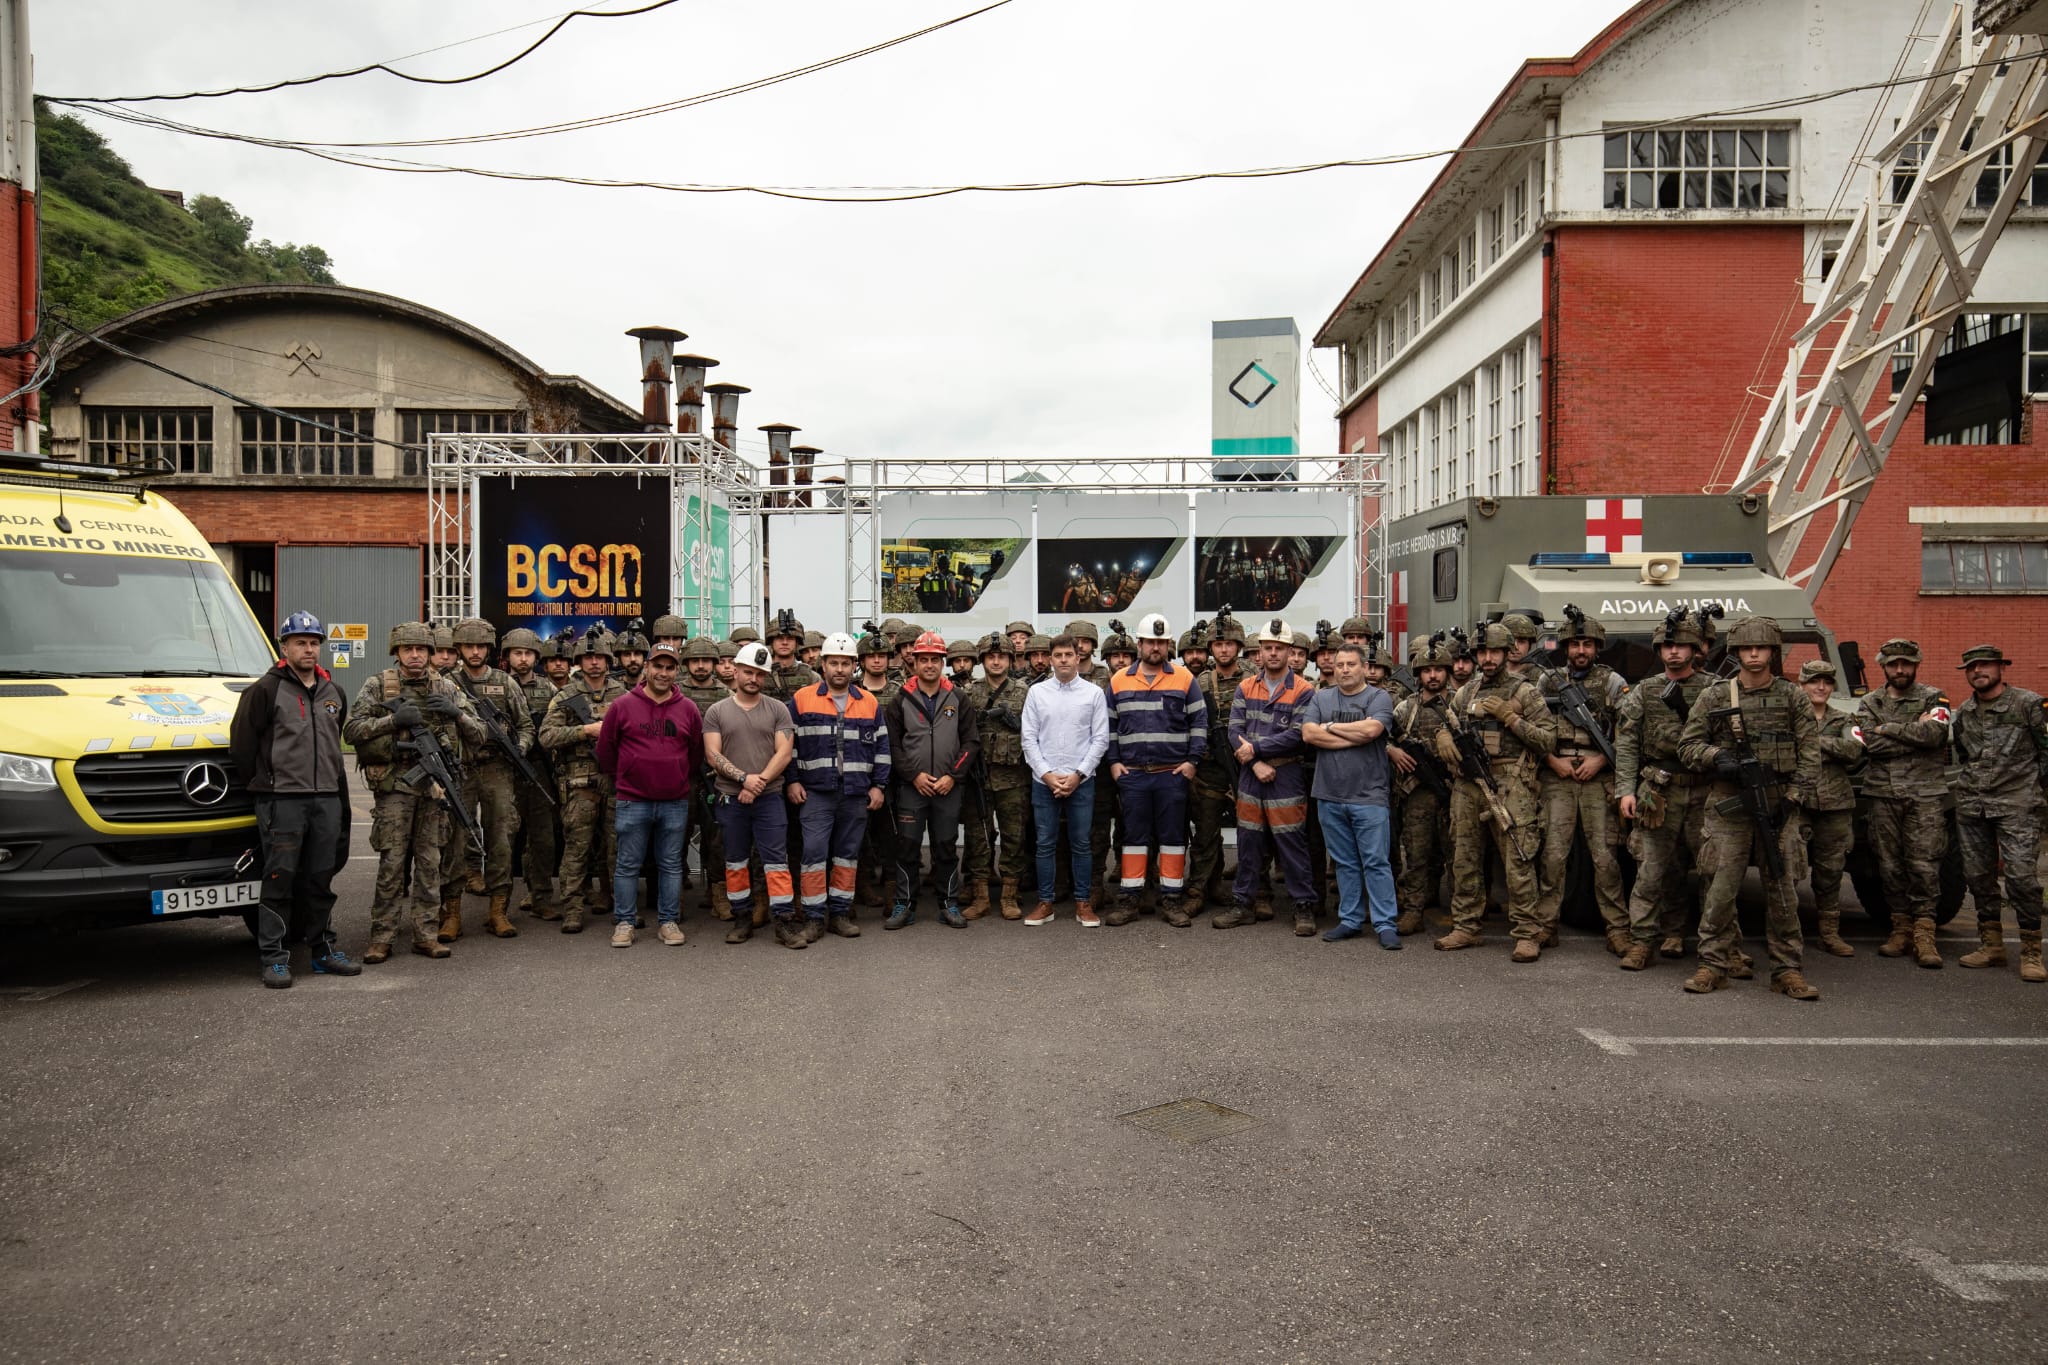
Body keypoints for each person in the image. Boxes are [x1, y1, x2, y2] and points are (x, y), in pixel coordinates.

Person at [1677, 615, 1821, 1000]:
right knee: (1720, 889)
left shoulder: (1793, 697)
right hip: (1728, 804)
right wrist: (1717, 757)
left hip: (1779, 806)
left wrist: (1792, 800)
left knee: (1783, 890)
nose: (1754, 655)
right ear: (1736, 652)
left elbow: (1810, 756)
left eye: (1761, 648)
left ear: (1773, 652)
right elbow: (1687, 747)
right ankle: (1713, 964)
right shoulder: (1716, 696)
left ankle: (1787, 969)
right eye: (1746, 648)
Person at [343, 621, 487, 962]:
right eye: (408, 649)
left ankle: (426, 933)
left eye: (421, 649)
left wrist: (457, 715)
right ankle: (382, 937)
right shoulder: (379, 685)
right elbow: (351, 730)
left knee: (430, 863)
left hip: (435, 791)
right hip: (395, 788)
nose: (415, 655)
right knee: (392, 864)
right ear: (396, 652)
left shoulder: (447, 688)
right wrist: (391, 722)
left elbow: (479, 733)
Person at [231, 610, 356, 988]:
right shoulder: (265, 691)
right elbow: (242, 746)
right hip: (282, 800)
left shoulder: (334, 692)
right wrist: (266, 785)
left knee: (320, 877)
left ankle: (322, 951)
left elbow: (336, 745)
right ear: (283, 647)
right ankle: (275, 956)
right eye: (300, 642)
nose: (309, 649)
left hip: (325, 799)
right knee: (279, 878)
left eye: (315, 642)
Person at [1434, 622, 1553, 959]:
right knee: (1464, 857)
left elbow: (1548, 739)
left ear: (1506, 653)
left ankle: (1527, 932)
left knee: (1518, 858)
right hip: (1468, 784)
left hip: (1510, 783)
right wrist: (1441, 737)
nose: (1487, 658)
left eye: (1494, 652)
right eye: (1482, 652)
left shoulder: (1525, 692)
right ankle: (1466, 926)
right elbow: (1448, 723)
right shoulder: (1465, 692)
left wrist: (1511, 719)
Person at [1615, 609, 1718, 971]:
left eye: (1681, 645)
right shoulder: (1646, 690)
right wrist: (1625, 790)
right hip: (1657, 789)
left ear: (1695, 649)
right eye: (1667, 646)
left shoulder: (1715, 689)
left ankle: (1721, 948)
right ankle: (1643, 941)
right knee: (1651, 870)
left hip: (1704, 789)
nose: (1674, 652)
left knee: (1714, 871)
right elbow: (1627, 742)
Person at [596, 639, 704, 947]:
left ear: (676, 672)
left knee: (671, 864)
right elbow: (606, 750)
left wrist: (678, 775)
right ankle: (625, 923)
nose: (664, 673)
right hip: (633, 799)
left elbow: (695, 753)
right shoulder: (622, 705)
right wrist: (626, 777)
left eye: (670, 668)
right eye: (658, 666)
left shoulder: (688, 709)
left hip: (674, 801)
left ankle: (668, 921)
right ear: (647, 667)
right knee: (628, 864)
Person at [1949, 644, 2048, 981]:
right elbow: (1965, 755)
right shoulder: (1964, 712)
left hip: (2018, 805)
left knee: (2022, 879)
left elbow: (2046, 752)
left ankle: (2032, 952)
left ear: (2000, 668)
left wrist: (2038, 794)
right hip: (1973, 805)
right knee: (1978, 877)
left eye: (1985, 666)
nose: (1979, 672)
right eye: (1972, 667)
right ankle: (1991, 946)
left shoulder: (2029, 704)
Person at [1216, 619, 1320, 935]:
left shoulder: (1304, 690)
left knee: (1291, 841)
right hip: (1251, 775)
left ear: (1290, 652)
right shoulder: (1246, 687)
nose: (1273, 653)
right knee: (1248, 842)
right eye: (1268, 648)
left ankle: (1304, 907)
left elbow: (1298, 735)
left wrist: (1256, 750)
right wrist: (1256, 762)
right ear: (1259, 653)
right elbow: (1234, 730)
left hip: (1286, 774)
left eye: (1280, 648)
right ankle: (1243, 904)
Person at [1533, 610, 1629, 954]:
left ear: (1597, 647)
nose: (1580, 650)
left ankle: (1618, 928)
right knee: (1553, 856)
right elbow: (1533, 728)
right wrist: (1551, 760)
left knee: (1604, 858)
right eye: (1575, 644)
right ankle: (1545, 926)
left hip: (1596, 778)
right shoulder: (1548, 681)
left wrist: (1601, 760)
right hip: (1557, 774)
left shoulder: (1613, 683)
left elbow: (1631, 732)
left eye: (1587, 644)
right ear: (1566, 647)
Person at [1103, 614, 1207, 927]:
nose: (1155, 647)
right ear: (1140, 644)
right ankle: (1129, 901)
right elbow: (1108, 725)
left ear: (1168, 644)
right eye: (1150, 641)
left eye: (1161, 642)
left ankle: (1172, 901)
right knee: (1133, 839)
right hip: (1133, 775)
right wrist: (1114, 762)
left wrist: (1192, 762)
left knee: (1173, 839)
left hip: (1171, 774)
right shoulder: (1119, 680)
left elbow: (1199, 723)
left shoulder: (1184, 679)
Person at [786, 632, 890, 943]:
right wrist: (791, 780)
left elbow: (883, 748)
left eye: (846, 663)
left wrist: (879, 786)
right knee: (814, 854)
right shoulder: (802, 699)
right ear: (823, 664)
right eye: (834, 663)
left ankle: (841, 914)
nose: (840, 669)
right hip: (816, 792)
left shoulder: (868, 701)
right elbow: (787, 746)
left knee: (847, 855)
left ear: (854, 666)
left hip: (856, 793)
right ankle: (815, 918)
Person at [1857, 638, 1954, 967]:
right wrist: (1914, 733)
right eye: (1894, 664)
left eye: (1906, 664)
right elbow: (1869, 744)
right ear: (1883, 666)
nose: (1900, 669)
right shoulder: (1869, 701)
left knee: (1925, 865)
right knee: (1889, 866)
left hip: (1924, 795)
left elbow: (1936, 736)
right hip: (1883, 795)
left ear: (1916, 665)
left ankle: (1925, 934)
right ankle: (1900, 929)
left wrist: (1891, 729)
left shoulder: (1933, 696)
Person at [1302, 643, 1399, 947]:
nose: (1344, 669)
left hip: (1369, 796)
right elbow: (1308, 734)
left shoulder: (1378, 697)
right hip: (1329, 795)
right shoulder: (1321, 697)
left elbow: (1372, 731)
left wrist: (1329, 727)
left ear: (1364, 668)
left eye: (1351, 664)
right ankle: (1350, 920)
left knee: (1376, 861)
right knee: (1344, 862)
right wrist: (1351, 736)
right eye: (1340, 664)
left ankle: (1385, 924)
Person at [444, 617, 535, 941]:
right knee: (454, 841)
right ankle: (451, 913)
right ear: (459, 648)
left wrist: (519, 749)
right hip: (461, 770)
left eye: (481, 645)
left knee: (501, 841)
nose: (475, 651)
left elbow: (526, 725)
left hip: (498, 770)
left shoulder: (505, 683)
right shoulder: (445, 683)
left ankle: (498, 911)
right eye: (469, 645)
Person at [883, 631, 982, 929]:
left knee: (946, 847)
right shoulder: (900, 699)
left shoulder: (958, 698)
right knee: (908, 846)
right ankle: (904, 905)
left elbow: (971, 743)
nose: (929, 665)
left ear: (942, 662)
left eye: (934, 659)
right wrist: (913, 775)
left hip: (947, 788)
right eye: (923, 659)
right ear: (913, 661)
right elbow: (892, 745)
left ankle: (948, 903)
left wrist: (953, 776)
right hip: (912, 787)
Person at [702, 643, 798, 944]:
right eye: (748, 672)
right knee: (735, 861)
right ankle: (742, 918)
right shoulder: (717, 711)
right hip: (731, 798)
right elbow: (711, 754)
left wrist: (758, 782)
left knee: (776, 862)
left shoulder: (778, 709)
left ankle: (783, 922)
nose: (753, 678)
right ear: (736, 671)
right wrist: (743, 779)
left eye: (759, 673)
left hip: (769, 798)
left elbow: (784, 753)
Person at [538, 631, 628, 935]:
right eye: (588, 657)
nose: (593, 662)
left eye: (599, 657)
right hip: (579, 782)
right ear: (579, 661)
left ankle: (622, 907)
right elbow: (547, 736)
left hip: (615, 779)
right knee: (577, 847)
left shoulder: (623, 693)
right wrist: (586, 731)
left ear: (607, 660)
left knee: (617, 847)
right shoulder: (565, 696)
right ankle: (573, 908)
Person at [1020, 634, 1110, 925]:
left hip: (1081, 781)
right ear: (1049, 658)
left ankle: (1083, 903)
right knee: (1045, 843)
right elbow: (1028, 739)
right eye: (1057, 655)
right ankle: (1045, 903)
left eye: (1068, 655)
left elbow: (1100, 740)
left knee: (1081, 843)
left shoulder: (1094, 694)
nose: (1063, 660)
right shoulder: (1037, 693)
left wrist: (1078, 775)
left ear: (1078, 657)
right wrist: (1047, 775)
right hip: (1043, 781)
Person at [1387, 636, 1455, 937]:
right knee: (1417, 855)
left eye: (1439, 669)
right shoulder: (1406, 708)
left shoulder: (1461, 701)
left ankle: (1462, 914)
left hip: (1456, 789)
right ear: (1418, 675)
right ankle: (1413, 911)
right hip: (1417, 793)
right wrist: (1394, 751)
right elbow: (1383, 734)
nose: (1433, 675)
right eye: (1427, 670)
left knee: (1459, 855)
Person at [1794, 660, 1863, 958]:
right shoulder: (1791, 718)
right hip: (1797, 801)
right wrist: (1829, 745)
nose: (1820, 687)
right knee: (1787, 868)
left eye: (1826, 682)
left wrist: (1811, 742)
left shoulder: (1845, 718)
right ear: (1802, 685)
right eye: (1813, 681)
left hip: (1835, 804)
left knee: (1830, 871)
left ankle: (1829, 933)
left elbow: (1854, 750)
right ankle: (1788, 931)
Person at [965, 633, 1033, 920]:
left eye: (1002, 656)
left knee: (1013, 837)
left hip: (1014, 779)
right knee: (978, 837)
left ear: (1010, 659)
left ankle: (1009, 895)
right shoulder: (970, 692)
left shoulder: (1025, 691)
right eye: (991, 656)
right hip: (979, 778)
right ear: (982, 660)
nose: (996, 660)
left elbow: (1034, 732)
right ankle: (980, 897)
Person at [501, 628, 563, 923]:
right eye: (517, 653)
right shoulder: (497, 685)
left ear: (536, 657)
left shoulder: (548, 689)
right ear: (508, 656)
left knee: (542, 838)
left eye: (528, 653)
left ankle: (540, 896)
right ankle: (497, 903)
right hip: (502, 769)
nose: (523, 659)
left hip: (537, 767)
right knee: (503, 837)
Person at [1189, 612, 1249, 910]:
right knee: (1206, 831)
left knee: (1252, 832)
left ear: (1238, 646)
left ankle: (1255, 893)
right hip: (1211, 768)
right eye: (1217, 644)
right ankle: (1201, 889)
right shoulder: (1199, 681)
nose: (1223, 650)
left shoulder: (1253, 678)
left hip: (1247, 765)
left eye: (1229, 644)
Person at [675, 637, 732, 920]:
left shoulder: (726, 695)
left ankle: (718, 893)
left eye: (706, 661)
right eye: (695, 661)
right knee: (677, 835)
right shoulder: (675, 693)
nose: (700, 666)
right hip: (682, 774)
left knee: (716, 837)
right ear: (686, 663)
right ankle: (675, 899)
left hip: (714, 775)